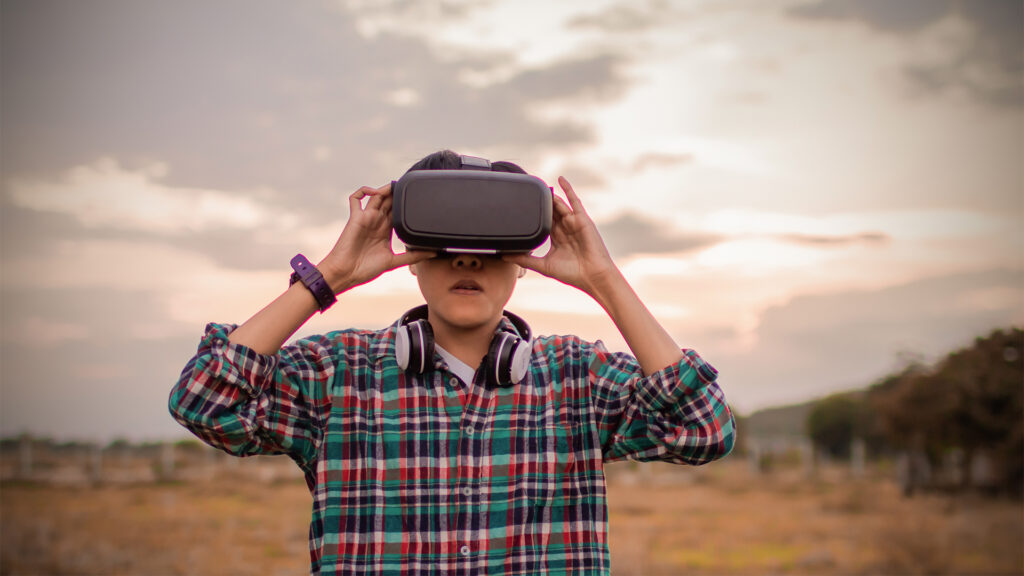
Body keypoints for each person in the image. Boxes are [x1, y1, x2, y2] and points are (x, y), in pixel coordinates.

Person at [169, 150, 735, 576]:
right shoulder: (336, 375)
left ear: (523, 261)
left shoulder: (577, 379)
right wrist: (331, 275)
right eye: (442, 244)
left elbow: (704, 429)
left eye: (491, 247)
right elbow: (204, 400)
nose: (467, 260)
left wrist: (603, 279)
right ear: (410, 258)